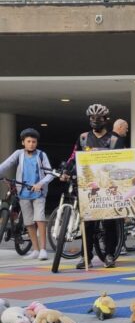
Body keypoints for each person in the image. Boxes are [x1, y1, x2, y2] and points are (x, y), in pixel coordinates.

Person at [67, 103, 125, 269]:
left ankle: (109, 255)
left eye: (98, 118)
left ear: (105, 120)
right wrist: (66, 169)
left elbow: (122, 160)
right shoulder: (83, 138)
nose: (95, 121)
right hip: (88, 185)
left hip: (108, 186)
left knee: (109, 223)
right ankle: (86, 257)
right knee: (87, 223)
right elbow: (74, 157)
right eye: (92, 118)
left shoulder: (115, 139)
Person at [0, 128, 55, 260]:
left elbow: (50, 173)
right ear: (23, 142)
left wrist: (40, 183)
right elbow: (5, 164)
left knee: (40, 219)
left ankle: (43, 250)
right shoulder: (19, 154)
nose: (31, 144)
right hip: (23, 192)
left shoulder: (41, 155)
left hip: (38, 193)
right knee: (29, 222)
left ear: (37, 143)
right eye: (28, 141)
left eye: (34, 142)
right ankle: (35, 250)